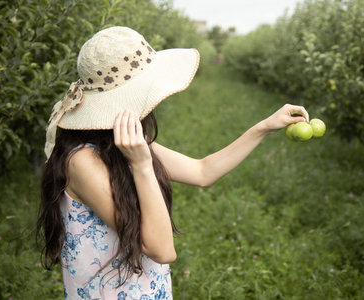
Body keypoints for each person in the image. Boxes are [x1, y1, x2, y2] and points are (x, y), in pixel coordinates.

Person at [36, 26, 309, 299]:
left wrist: (264, 127)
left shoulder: (121, 142)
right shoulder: (82, 162)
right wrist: (143, 166)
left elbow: (203, 171)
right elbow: (162, 250)